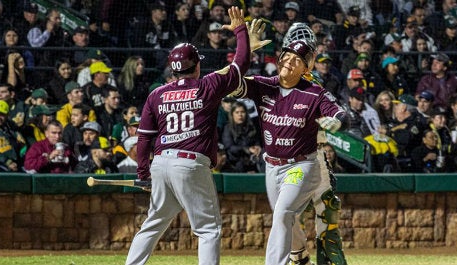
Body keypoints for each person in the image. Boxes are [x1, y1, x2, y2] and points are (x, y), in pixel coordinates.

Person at [125, 7, 250, 265]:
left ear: (173, 69)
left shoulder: (156, 94)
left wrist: (143, 173)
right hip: (191, 164)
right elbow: (241, 65)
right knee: (208, 229)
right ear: (197, 65)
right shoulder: (208, 85)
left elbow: (144, 139)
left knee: (153, 224)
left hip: (161, 163)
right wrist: (240, 31)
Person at [232, 34, 348, 265]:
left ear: (306, 68)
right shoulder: (263, 84)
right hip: (271, 165)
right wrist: (243, 51)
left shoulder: (313, 91)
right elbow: (226, 83)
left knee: (284, 213)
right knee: (284, 217)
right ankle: (300, 257)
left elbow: (340, 113)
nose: (288, 62)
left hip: (301, 164)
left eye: (296, 60)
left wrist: (337, 121)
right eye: (286, 56)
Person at [221, 100, 263, 173]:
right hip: (235, 163)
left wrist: (257, 147)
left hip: (252, 160)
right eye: (237, 112)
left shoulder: (251, 127)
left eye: (242, 112)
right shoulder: (228, 128)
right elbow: (230, 148)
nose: (240, 115)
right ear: (232, 114)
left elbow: (257, 142)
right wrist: (247, 149)